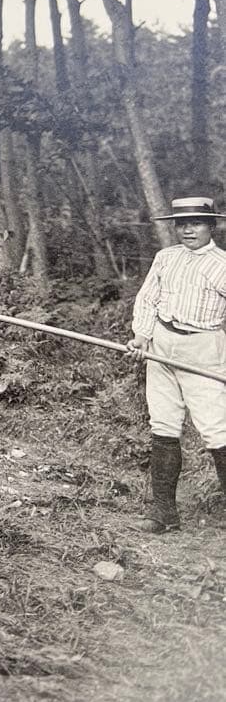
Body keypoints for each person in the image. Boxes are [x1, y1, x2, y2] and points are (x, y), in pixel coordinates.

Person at [126, 197, 226, 533]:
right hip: (161, 348)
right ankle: (164, 514)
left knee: (217, 431)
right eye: (181, 223)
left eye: (196, 223)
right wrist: (141, 337)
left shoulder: (222, 264)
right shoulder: (166, 258)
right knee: (164, 426)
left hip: (203, 349)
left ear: (211, 225)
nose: (187, 229)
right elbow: (148, 300)